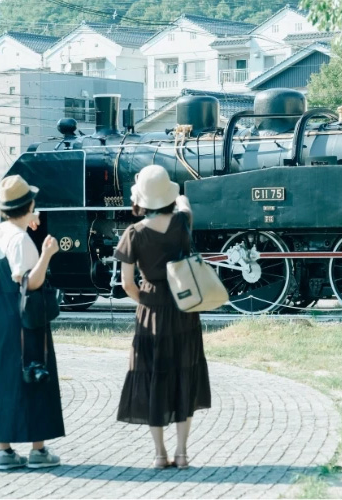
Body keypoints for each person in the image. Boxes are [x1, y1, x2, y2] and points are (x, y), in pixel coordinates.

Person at [115, 165, 211, 469]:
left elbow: (127, 284)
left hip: (152, 312)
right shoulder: (183, 222)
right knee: (184, 375)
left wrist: (147, 300)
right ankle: (182, 453)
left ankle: (159, 455)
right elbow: (183, 201)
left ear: (143, 200)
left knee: (153, 378)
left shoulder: (134, 234)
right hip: (185, 308)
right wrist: (173, 193)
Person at [0, 175, 65, 470]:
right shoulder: (21, 240)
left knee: (7, 377)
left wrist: (27, 222)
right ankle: (38, 450)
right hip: (28, 319)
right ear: (29, 205)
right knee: (36, 374)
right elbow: (29, 282)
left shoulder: (2, 231)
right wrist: (46, 254)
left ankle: (4, 450)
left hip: (4, 316)